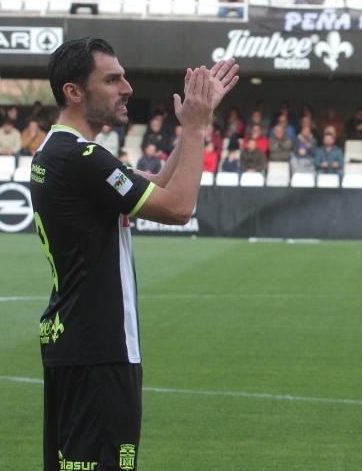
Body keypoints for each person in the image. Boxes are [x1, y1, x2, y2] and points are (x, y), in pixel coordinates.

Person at [32, 38, 238, 471]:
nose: (127, 87)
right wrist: (199, 130)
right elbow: (179, 207)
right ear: (73, 91)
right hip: (100, 349)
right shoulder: (84, 158)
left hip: (73, 342)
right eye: (112, 79)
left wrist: (192, 126)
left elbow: (159, 186)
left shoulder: (61, 153)